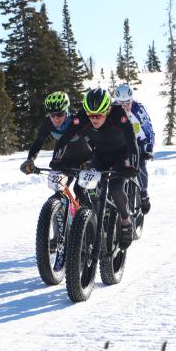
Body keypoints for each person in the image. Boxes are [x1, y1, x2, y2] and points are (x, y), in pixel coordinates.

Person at [50, 88, 138, 249]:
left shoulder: (119, 115)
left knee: (116, 189)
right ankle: (89, 222)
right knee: (83, 188)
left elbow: (132, 141)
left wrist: (132, 165)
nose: (93, 119)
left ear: (108, 110)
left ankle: (125, 220)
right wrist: (56, 160)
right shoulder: (83, 116)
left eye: (98, 115)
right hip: (99, 156)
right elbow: (64, 139)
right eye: (90, 115)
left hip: (120, 155)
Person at [20, 91, 92, 202]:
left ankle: (91, 215)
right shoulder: (47, 123)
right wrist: (30, 160)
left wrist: (91, 161)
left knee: (79, 191)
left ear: (67, 111)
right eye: (52, 115)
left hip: (85, 160)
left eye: (60, 114)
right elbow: (38, 142)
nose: (56, 118)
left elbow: (94, 141)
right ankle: (61, 212)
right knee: (59, 190)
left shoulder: (77, 122)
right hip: (65, 160)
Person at [113, 83, 155, 214]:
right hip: (121, 143)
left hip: (139, 143)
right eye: (121, 103)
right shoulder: (112, 110)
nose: (124, 106)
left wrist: (149, 149)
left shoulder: (138, 110)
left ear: (132, 99)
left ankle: (143, 193)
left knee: (140, 164)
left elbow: (149, 131)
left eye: (127, 102)